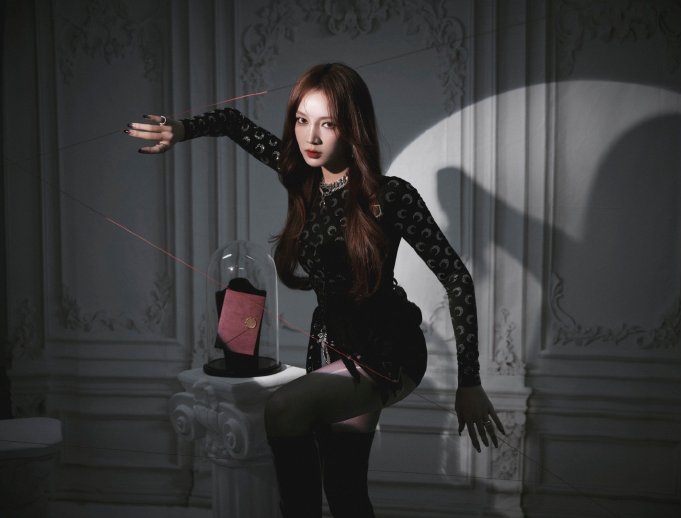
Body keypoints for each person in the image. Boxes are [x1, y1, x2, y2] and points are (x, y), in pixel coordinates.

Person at [125, 63, 504, 518]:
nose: (311, 136)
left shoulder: (391, 196)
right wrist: (182, 129)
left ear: (352, 126)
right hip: (331, 345)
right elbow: (234, 123)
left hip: (387, 350)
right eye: (302, 120)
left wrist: (469, 382)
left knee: (283, 408)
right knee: (344, 489)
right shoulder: (302, 178)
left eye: (328, 123)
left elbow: (457, 277)